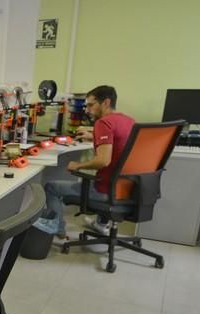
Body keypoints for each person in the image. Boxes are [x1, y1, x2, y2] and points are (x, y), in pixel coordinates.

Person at [44, 85, 135, 238]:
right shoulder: (129, 121)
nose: (87, 110)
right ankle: (101, 224)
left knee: (51, 187)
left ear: (105, 103)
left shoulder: (103, 123)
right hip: (127, 189)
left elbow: (103, 161)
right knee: (106, 175)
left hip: (105, 192)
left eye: (91, 105)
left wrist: (77, 165)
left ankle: (57, 230)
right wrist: (93, 137)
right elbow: (119, 144)